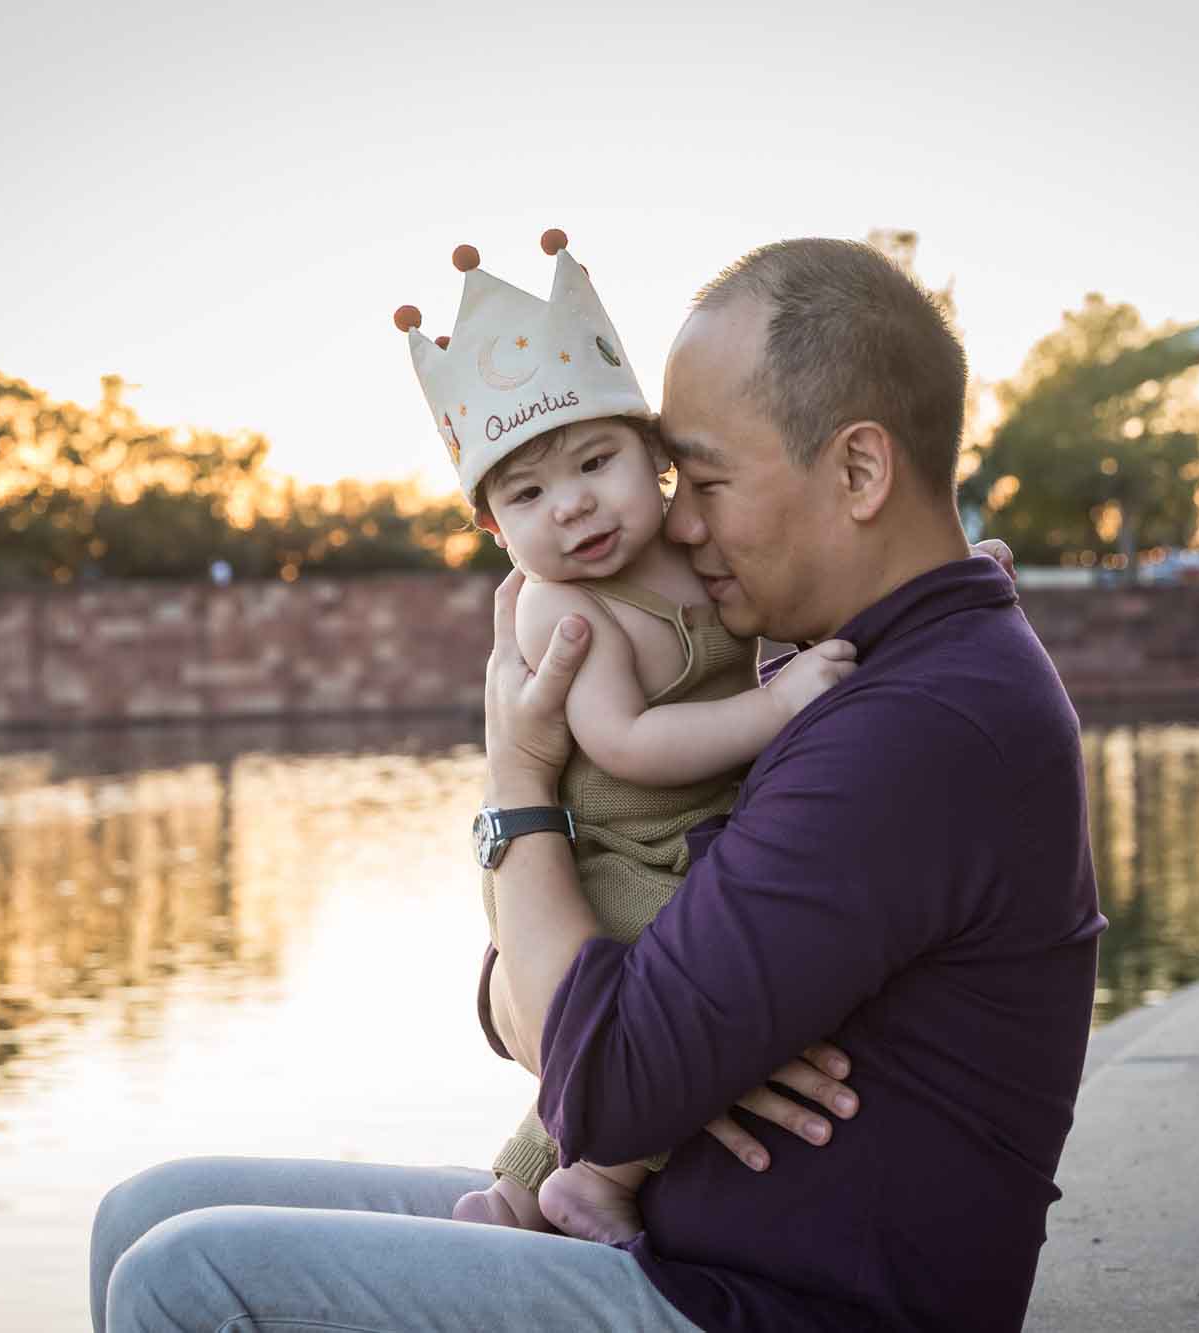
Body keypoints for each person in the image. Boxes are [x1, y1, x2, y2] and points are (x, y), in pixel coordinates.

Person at [90, 236, 1101, 1333]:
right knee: (144, 1210)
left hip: (769, 1300)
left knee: (181, 1275)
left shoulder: (913, 726)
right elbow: (561, 1014)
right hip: (677, 1229)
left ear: (858, 471)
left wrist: (519, 785)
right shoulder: (887, 663)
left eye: (702, 478)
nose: (676, 521)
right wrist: (667, 1041)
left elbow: (604, 1080)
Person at [399, 230, 859, 1242]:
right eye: (526, 494)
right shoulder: (564, 611)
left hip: (678, 830)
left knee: (657, 981)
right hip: (611, 852)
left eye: (594, 463)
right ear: (491, 529)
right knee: (672, 982)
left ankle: (516, 1189)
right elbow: (626, 742)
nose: (570, 508)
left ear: (652, 456)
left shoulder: (681, 556)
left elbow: (799, 614)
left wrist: (912, 592)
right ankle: (598, 1177)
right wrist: (778, 709)